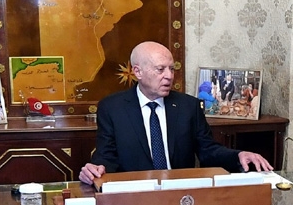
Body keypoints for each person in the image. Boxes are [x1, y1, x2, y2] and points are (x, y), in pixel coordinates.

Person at [78, 42, 272, 184]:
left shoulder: (189, 106)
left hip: (180, 193)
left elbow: (208, 151)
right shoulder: (112, 108)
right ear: (138, 72)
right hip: (134, 195)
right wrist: (95, 169)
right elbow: (106, 156)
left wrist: (238, 156)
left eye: (171, 69)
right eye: (160, 69)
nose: (169, 76)